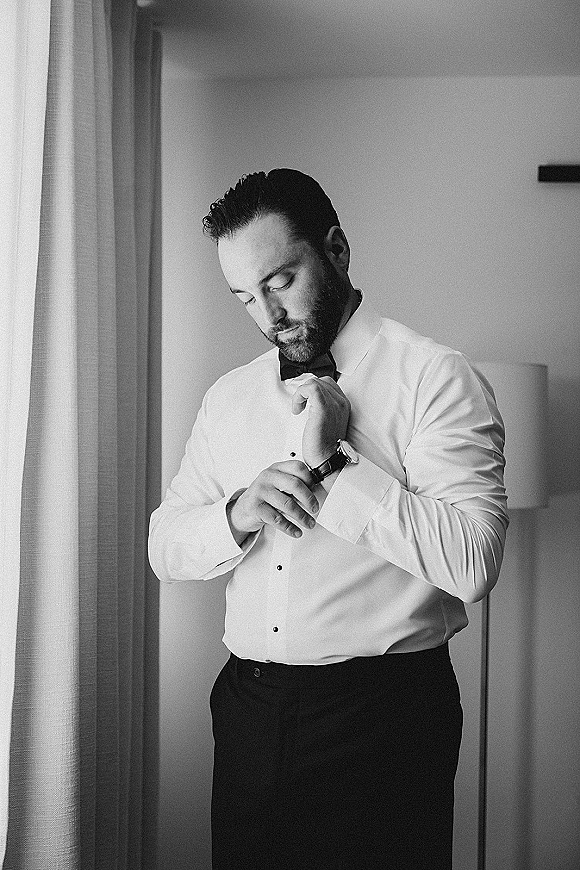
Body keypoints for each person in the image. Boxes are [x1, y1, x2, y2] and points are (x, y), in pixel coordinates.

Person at [148, 168, 508, 870]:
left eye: (280, 281)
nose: (266, 316)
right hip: (250, 708)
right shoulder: (228, 398)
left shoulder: (435, 377)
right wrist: (237, 513)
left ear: (337, 250)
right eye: (245, 296)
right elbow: (165, 546)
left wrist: (338, 461)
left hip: (385, 717)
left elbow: (473, 562)